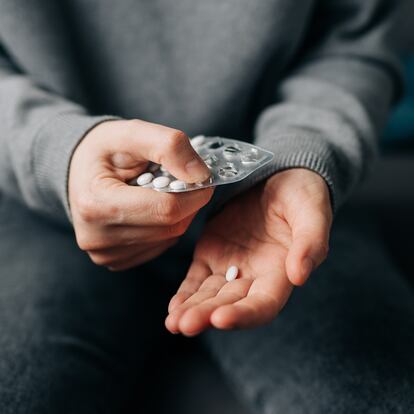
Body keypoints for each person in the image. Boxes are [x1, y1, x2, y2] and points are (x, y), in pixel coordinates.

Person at [0, 1, 413, 412]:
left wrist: (304, 152)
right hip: (44, 209)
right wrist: (54, 152)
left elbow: (353, 43)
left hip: (274, 200)